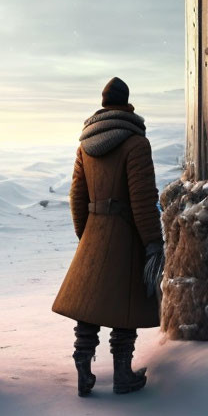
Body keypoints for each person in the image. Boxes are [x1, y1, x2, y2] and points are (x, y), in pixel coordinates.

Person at [52, 77, 164, 396]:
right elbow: (143, 198)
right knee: (124, 306)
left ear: (103, 103)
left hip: (94, 232)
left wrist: (86, 234)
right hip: (126, 234)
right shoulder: (136, 143)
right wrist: (152, 242)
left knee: (90, 307)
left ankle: (84, 373)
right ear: (127, 103)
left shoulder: (85, 145)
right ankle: (122, 375)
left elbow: (76, 195)